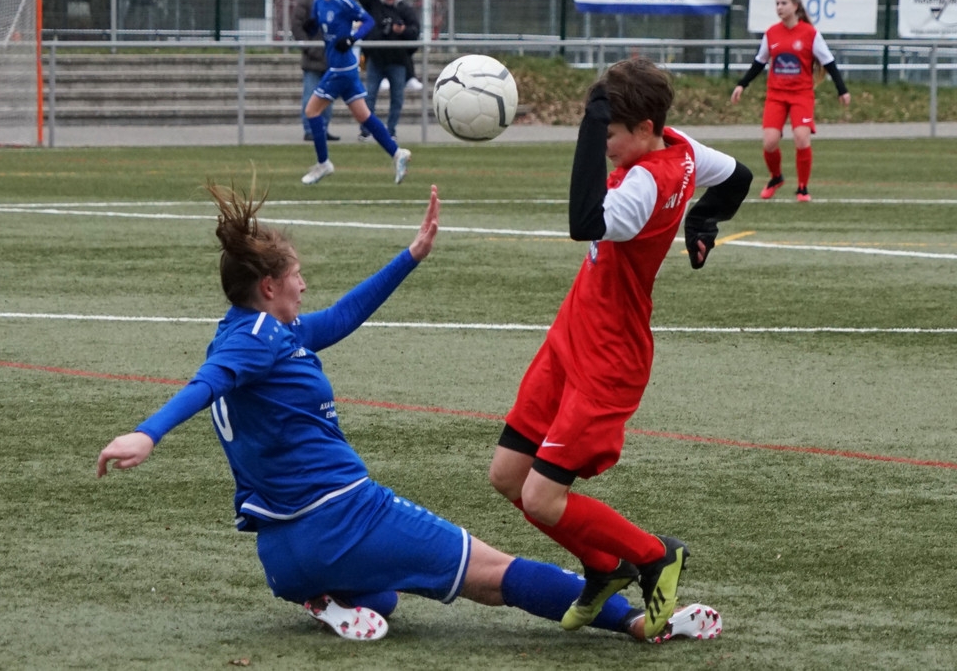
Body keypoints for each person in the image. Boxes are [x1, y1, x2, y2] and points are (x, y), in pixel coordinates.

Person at [96, 179, 724, 644]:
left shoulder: (249, 331)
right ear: (269, 287)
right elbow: (206, 385)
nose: (304, 286)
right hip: (344, 517)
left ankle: (325, 598)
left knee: (388, 598)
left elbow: (338, 319)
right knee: (495, 573)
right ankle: (638, 622)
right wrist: (147, 433)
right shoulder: (257, 342)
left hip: (283, 555)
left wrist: (411, 255)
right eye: (297, 277)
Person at [488, 57, 752, 639]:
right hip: (571, 337)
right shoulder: (680, 146)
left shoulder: (642, 186)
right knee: (508, 475)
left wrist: (588, 126)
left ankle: (656, 555)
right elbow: (738, 176)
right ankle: (605, 567)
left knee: (543, 498)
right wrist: (703, 222)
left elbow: (584, 220)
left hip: (609, 359)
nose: (603, 144)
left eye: (609, 134)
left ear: (644, 127)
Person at [730, 0, 850, 202]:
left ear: (795, 6)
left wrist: (842, 89)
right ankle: (776, 177)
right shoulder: (771, 33)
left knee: (801, 138)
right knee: (769, 142)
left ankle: (803, 188)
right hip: (776, 95)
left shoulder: (810, 33)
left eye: (784, 3)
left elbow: (829, 62)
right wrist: (742, 85)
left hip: (801, 94)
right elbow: (759, 62)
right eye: (777, 3)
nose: (779, 7)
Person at [298, 0, 411, 185]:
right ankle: (398, 153)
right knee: (364, 116)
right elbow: (316, 26)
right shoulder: (318, 1)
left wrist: (352, 39)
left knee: (311, 111)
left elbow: (368, 21)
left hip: (341, 68)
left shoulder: (343, 2)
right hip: (341, 66)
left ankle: (323, 163)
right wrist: (310, 27)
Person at [356, 0, 420, 142]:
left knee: (397, 98)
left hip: (398, 61)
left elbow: (415, 31)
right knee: (370, 96)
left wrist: (402, 30)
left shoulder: (405, 9)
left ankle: (391, 131)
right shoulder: (375, 6)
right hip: (376, 59)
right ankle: (366, 130)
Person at [288, 0, 339, 143]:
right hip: (312, 58)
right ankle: (310, 130)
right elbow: (296, 25)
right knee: (310, 96)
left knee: (328, 98)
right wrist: (310, 48)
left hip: (331, 58)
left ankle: (323, 129)